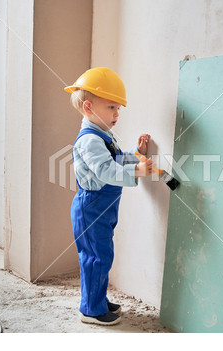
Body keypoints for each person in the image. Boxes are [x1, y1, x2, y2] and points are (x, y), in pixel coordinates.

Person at [64, 67, 153, 326]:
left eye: (118, 109)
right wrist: (137, 170)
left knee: (103, 254)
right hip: (92, 207)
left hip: (103, 207)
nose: (116, 114)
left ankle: (98, 300)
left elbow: (113, 158)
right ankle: (91, 310)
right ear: (89, 107)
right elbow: (105, 170)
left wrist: (135, 153)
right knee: (95, 257)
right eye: (111, 107)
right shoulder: (89, 140)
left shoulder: (103, 136)